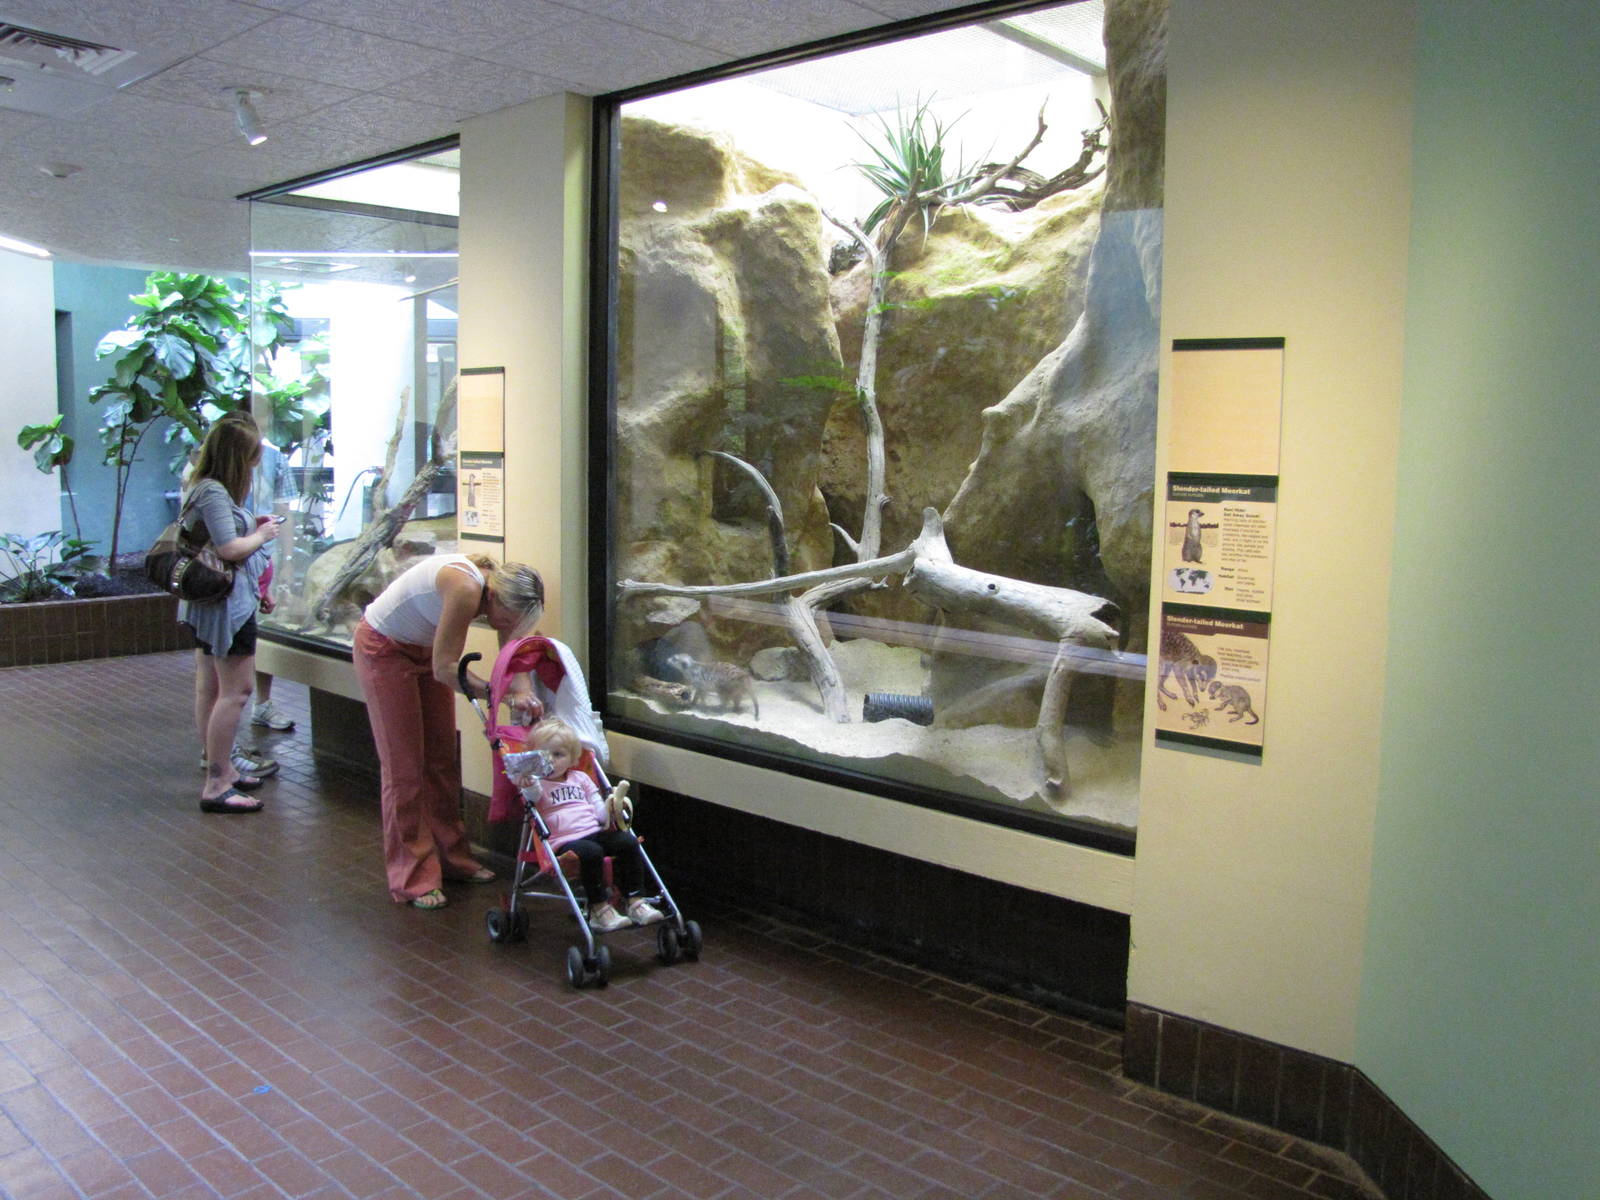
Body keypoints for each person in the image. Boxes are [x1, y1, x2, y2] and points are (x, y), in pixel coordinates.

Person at [352, 554, 546, 909]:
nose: (508, 626)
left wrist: (523, 690)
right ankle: (412, 877)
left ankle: (453, 858)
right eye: (509, 619)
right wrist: (497, 695)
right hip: (384, 648)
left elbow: (514, 648)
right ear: (496, 601)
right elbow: (446, 669)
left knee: (442, 757)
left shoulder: (500, 592)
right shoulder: (466, 587)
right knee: (404, 767)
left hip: (425, 650)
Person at [180, 411, 281, 814]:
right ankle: (218, 781)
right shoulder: (214, 493)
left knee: (210, 686)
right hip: (227, 609)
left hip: (210, 607)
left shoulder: (202, 487)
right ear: (241, 457)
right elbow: (229, 550)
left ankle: (218, 765)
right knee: (236, 691)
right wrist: (261, 534)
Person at [512, 717, 662, 932]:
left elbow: (598, 810)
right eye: (544, 755)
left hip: (593, 831)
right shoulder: (537, 783)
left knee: (627, 842)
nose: (551, 761)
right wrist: (528, 784)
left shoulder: (580, 778)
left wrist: (610, 810)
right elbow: (532, 799)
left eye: (558, 754)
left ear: (573, 759)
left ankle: (635, 901)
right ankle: (599, 908)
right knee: (591, 852)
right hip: (565, 842)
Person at [249, 438, 298, 735]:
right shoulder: (210, 459)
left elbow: (284, 511)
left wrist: (288, 559)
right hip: (234, 564)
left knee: (262, 627)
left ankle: (262, 703)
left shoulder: (274, 458)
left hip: (265, 556)